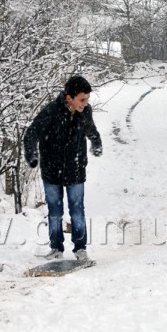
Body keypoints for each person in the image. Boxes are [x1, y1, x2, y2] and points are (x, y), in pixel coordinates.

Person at [24, 74, 102, 261]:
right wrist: (32, 155)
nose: (85, 103)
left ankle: (80, 248)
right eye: (82, 100)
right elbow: (31, 133)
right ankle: (56, 247)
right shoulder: (51, 111)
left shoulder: (85, 111)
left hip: (75, 168)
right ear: (69, 98)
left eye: (87, 99)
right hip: (52, 170)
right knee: (55, 211)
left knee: (77, 210)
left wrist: (96, 142)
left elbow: (90, 129)